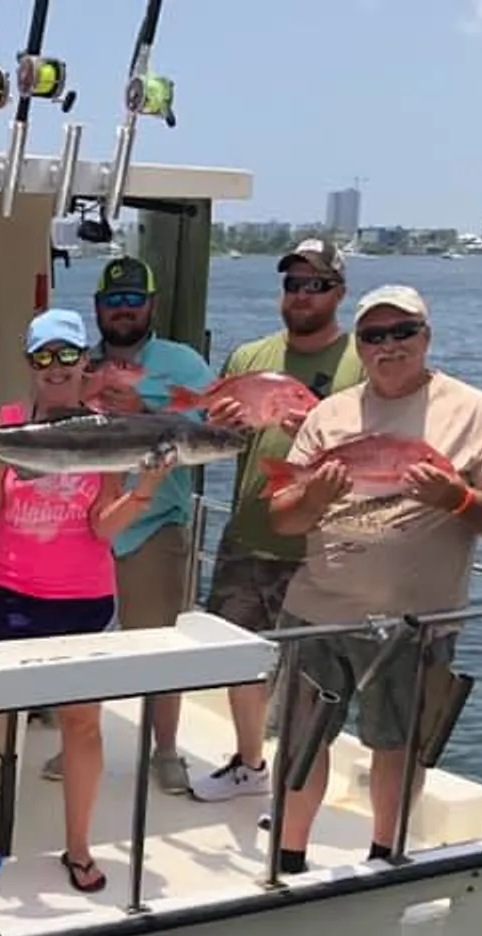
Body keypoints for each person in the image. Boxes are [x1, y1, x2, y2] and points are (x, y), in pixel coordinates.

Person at [268, 284, 482, 873]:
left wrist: (459, 498)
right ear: (358, 346)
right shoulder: (330, 414)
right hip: (317, 612)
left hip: (416, 623)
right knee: (301, 739)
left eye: (402, 332)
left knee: (398, 744)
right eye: (373, 335)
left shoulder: (473, 411)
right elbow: (283, 518)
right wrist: (312, 496)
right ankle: (287, 859)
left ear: (426, 336)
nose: (388, 345)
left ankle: (384, 858)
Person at [0, 309, 170, 894]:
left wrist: (147, 488)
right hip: (7, 595)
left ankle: (77, 846)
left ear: (85, 361)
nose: (56, 368)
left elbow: (103, 527)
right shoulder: (3, 425)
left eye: (67, 355)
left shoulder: (105, 430)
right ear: (30, 363)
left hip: (82, 601)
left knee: (83, 728)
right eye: (43, 357)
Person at [191, 237, 365, 803]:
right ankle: (249, 764)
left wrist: (317, 437)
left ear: (339, 292)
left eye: (316, 284)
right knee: (238, 660)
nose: (302, 295)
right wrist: (221, 428)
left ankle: (296, 791)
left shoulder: (361, 362)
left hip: (322, 547)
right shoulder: (248, 357)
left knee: (311, 677)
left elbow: (377, 448)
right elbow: (217, 444)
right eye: (293, 284)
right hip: (248, 535)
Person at [37, 257, 220, 794]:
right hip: (81, 528)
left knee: (161, 646)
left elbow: (211, 431)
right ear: (98, 308)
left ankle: (165, 750)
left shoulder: (183, 363)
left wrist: (144, 409)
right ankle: (75, 740)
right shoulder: (80, 364)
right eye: (113, 301)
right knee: (80, 646)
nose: (123, 310)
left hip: (153, 525)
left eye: (133, 300)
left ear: (151, 305)